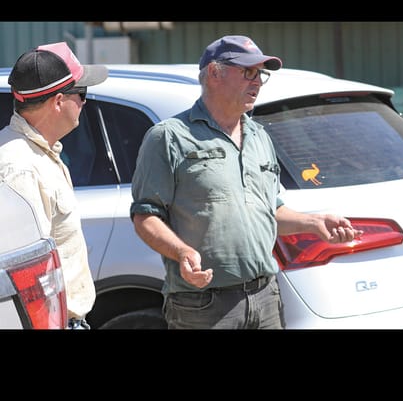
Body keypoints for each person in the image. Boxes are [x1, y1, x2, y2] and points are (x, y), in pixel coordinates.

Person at [129, 35, 363, 329]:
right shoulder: (169, 136)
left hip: (266, 295)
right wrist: (182, 252)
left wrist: (313, 223)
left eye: (261, 74)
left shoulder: (260, 137)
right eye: (248, 72)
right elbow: (145, 216)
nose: (257, 82)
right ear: (214, 73)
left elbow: (270, 210)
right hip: (203, 305)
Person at [0, 42, 108, 329]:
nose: (84, 102)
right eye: (81, 93)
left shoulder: (39, 154)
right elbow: (27, 272)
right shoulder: (20, 167)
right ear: (59, 101)